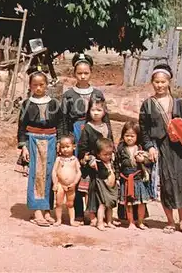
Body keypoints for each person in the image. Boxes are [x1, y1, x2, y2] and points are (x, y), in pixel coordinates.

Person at [139, 63, 182, 235]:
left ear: (169, 82)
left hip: (179, 148)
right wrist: (149, 147)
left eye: (163, 82)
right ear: (152, 83)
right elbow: (144, 129)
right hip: (162, 147)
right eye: (156, 82)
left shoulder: (178, 103)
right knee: (167, 184)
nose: (160, 85)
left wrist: (180, 126)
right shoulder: (148, 105)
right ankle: (170, 222)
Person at [61, 53, 106, 221]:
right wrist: (64, 140)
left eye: (86, 73)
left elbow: (105, 117)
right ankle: (78, 212)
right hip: (76, 133)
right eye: (79, 73)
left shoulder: (98, 94)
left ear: (91, 72)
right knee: (76, 171)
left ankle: (93, 212)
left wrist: (109, 140)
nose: (82, 76)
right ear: (74, 73)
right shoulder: (68, 95)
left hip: (94, 133)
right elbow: (64, 120)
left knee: (94, 170)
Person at [17, 70, 63, 227]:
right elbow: (22, 126)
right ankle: (37, 211)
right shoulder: (27, 104)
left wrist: (59, 141)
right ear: (30, 86)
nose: (38, 88)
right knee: (36, 175)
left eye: (41, 85)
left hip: (51, 141)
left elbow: (61, 124)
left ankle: (47, 210)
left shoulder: (54, 103)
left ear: (47, 85)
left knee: (50, 174)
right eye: (34, 85)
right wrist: (23, 146)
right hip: (33, 141)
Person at [77, 98, 117, 226]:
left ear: (104, 111)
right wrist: (89, 159)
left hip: (106, 162)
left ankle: (107, 217)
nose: (95, 113)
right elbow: (82, 147)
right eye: (93, 110)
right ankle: (92, 216)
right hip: (92, 164)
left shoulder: (106, 126)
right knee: (91, 190)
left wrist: (113, 155)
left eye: (99, 110)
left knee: (105, 189)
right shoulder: (88, 128)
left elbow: (110, 142)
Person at [116, 121, 153, 230]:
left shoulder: (141, 148)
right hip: (126, 179)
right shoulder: (120, 149)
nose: (129, 138)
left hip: (139, 179)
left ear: (137, 136)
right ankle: (131, 222)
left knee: (141, 202)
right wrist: (118, 176)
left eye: (132, 136)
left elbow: (149, 162)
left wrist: (143, 160)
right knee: (129, 203)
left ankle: (140, 222)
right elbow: (116, 164)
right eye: (127, 135)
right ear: (123, 136)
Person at [52, 135, 82, 227]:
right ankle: (58, 220)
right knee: (58, 203)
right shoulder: (58, 159)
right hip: (60, 184)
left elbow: (78, 173)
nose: (65, 149)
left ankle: (72, 221)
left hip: (71, 185)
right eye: (62, 147)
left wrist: (75, 183)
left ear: (74, 147)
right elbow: (54, 171)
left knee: (70, 204)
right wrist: (55, 183)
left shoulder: (75, 159)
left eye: (67, 147)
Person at [91, 138, 119, 231]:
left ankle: (109, 221)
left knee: (110, 205)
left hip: (112, 187)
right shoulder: (98, 163)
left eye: (109, 154)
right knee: (102, 205)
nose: (108, 156)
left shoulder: (112, 162)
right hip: (103, 187)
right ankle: (100, 222)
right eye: (105, 154)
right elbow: (102, 174)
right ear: (99, 154)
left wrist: (117, 178)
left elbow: (117, 170)